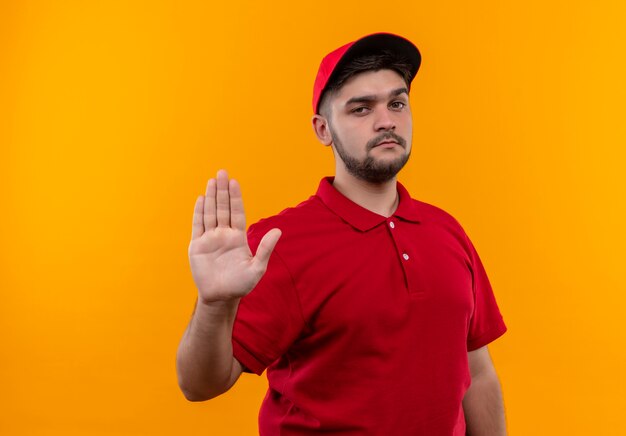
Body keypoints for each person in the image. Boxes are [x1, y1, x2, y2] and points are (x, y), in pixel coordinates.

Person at [176, 32, 508, 435]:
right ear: (322, 129)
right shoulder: (279, 244)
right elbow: (199, 385)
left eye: (397, 103)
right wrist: (214, 304)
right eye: (361, 109)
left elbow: (480, 372)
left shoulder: (447, 232)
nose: (386, 120)